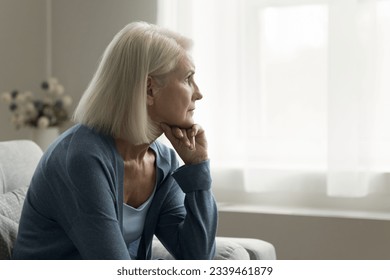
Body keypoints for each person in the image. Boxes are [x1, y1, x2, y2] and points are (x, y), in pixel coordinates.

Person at [12, 22, 217, 260]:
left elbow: (198, 259)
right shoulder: (82, 159)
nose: (198, 93)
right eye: (188, 79)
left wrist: (197, 167)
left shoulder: (163, 161)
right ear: (149, 89)